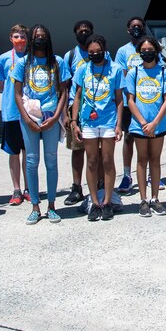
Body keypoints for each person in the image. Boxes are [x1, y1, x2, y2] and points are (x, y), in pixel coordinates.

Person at [15, 25, 70, 224]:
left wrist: (56, 117)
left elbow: (64, 92)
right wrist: (27, 119)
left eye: (43, 36)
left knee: (51, 161)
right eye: (37, 36)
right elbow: (17, 93)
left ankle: (52, 205)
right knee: (31, 160)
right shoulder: (24, 63)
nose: (40, 39)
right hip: (30, 116)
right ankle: (35, 206)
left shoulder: (57, 62)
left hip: (50, 115)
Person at [70, 34, 124, 221]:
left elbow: (119, 99)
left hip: (108, 120)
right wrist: (74, 122)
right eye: (91, 52)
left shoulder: (115, 70)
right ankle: (94, 202)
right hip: (89, 122)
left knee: (108, 161)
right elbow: (77, 96)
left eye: (98, 52)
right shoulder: (83, 70)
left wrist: (119, 124)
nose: (95, 55)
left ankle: (107, 201)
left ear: (104, 50)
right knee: (91, 161)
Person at [124, 35, 166, 216]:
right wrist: (144, 123)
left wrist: (154, 123)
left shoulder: (164, 73)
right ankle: (143, 200)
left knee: (155, 160)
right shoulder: (134, 73)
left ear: (157, 51)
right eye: (143, 51)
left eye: (150, 50)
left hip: (158, 125)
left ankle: (155, 198)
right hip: (140, 125)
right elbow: (130, 100)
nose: (147, 53)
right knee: (141, 160)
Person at [0, 25, 28, 206]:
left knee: (28, 152)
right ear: (10, 38)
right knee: (14, 152)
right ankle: (16, 189)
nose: (20, 39)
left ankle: (28, 188)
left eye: (23, 36)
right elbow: (1, 85)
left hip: (29, 112)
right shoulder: (4, 58)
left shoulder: (31, 59)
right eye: (16, 36)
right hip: (11, 112)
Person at [61, 20, 94, 205]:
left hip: (97, 109)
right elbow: (65, 87)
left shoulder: (100, 52)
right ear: (75, 33)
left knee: (96, 151)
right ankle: (76, 187)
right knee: (77, 150)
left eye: (87, 31)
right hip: (76, 108)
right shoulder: (71, 55)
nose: (84, 33)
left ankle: (97, 185)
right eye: (81, 31)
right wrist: (66, 114)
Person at [114, 16, 147, 194]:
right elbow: (124, 75)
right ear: (128, 29)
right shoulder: (123, 51)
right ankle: (127, 175)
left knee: (149, 138)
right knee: (129, 138)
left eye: (139, 26)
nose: (136, 29)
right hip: (129, 102)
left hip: (148, 100)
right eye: (133, 26)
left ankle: (149, 173)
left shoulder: (148, 46)